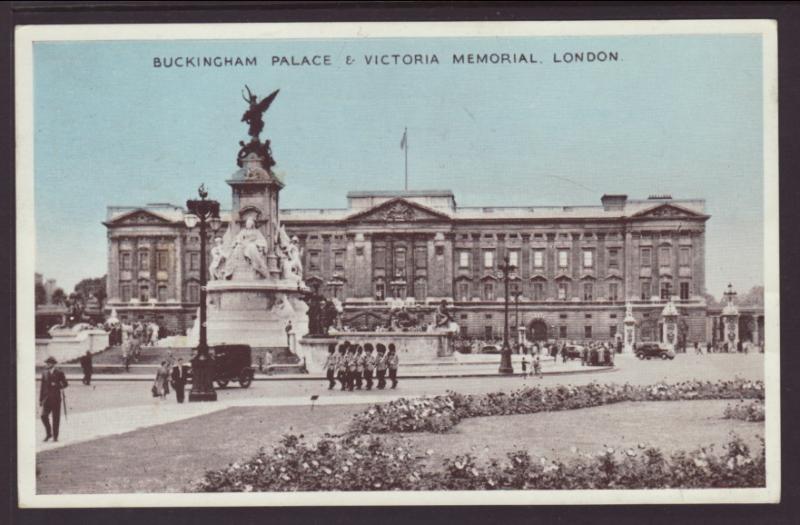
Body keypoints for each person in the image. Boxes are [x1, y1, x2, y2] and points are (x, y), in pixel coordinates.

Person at [40, 356, 68, 442]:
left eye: (48, 363)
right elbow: (42, 387)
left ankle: (55, 436)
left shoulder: (59, 373)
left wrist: (56, 385)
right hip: (47, 399)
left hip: (56, 399)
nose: (47, 365)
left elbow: (66, 384)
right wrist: (40, 399)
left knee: (56, 418)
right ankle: (49, 433)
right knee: (43, 416)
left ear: (53, 364)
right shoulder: (44, 373)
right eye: (46, 363)